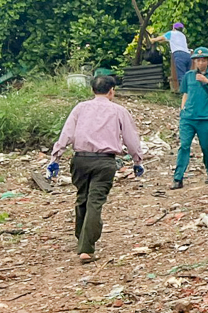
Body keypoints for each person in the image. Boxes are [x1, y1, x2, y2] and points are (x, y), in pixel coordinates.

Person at [47, 75, 144, 264]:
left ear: (92, 90)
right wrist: (137, 161)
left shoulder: (80, 108)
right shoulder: (119, 111)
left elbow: (66, 134)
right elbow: (131, 139)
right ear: (111, 91)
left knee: (82, 198)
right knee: (95, 202)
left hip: (80, 160)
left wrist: (55, 158)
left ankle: (81, 237)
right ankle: (86, 248)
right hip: (104, 162)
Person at [172, 46, 208, 188]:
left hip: (206, 117)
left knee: (207, 147)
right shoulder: (188, 76)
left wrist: (207, 81)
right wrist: (182, 109)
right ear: (194, 61)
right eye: (198, 60)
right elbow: (185, 93)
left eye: (203, 60)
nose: (200, 63)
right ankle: (178, 178)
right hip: (188, 118)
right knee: (184, 146)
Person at [150, 22, 191, 87]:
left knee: (181, 76)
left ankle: (184, 94)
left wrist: (153, 40)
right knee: (188, 76)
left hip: (179, 55)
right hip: (188, 55)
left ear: (174, 28)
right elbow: (165, 40)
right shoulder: (183, 36)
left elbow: (161, 38)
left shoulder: (171, 33)